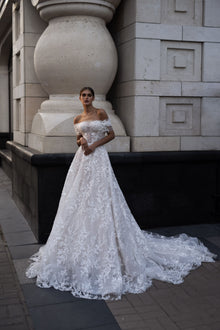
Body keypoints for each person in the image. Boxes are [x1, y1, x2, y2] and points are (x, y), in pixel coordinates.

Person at [26, 87, 216, 300]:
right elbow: (78, 137)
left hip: (97, 158)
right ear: (79, 98)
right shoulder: (77, 117)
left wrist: (93, 146)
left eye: (89, 95)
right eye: (84, 95)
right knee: (78, 198)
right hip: (81, 160)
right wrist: (81, 143)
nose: (87, 98)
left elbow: (111, 134)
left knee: (102, 196)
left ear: (93, 98)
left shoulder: (100, 113)